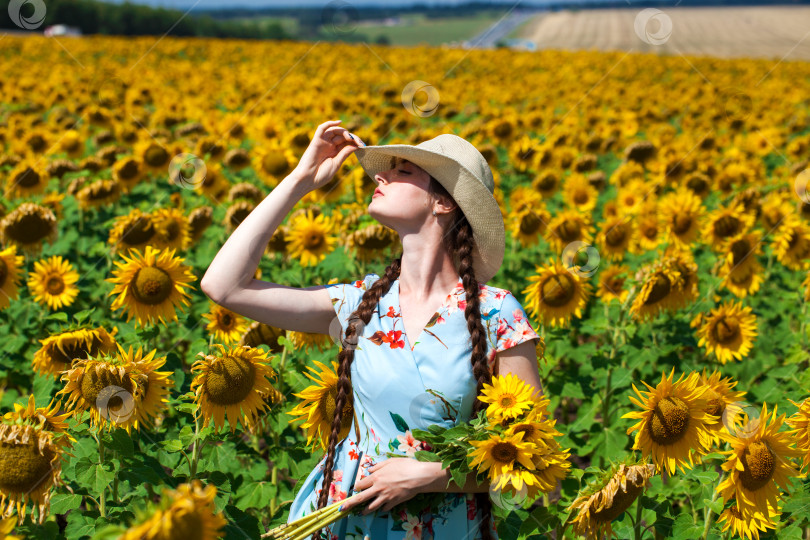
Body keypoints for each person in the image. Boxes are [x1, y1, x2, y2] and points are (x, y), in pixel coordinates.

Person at [200, 120, 544, 540]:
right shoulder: (361, 303)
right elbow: (223, 286)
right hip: (346, 520)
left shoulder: (496, 313)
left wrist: (428, 475)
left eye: (402, 171)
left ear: (444, 203)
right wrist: (300, 180)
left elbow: (531, 463)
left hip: (444, 527)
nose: (379, 176)